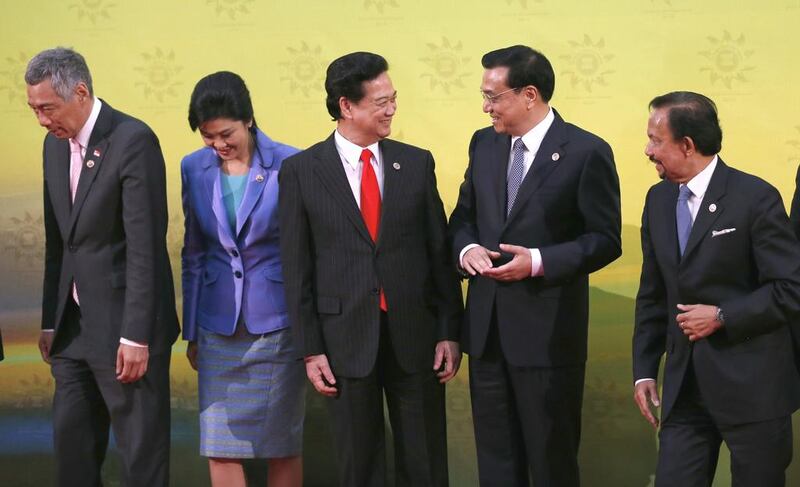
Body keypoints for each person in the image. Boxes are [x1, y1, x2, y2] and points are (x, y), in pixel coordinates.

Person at [278, 51, 463, 487]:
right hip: (343, 343)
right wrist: (310, 348)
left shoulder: (416, 163)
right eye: (380, 101)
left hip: (415, 339)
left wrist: (448, 330)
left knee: (425, 462)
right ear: (346, 106)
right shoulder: (302, 171)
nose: (392, 109)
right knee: (359, 466)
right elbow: (296, 266)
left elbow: (439, 255)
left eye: (393, 98)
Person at [448, 45, 621, 487]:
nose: (486, 106)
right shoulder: (483, 143)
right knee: (497, 463)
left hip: (548, 336)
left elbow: (605, 240)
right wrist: (467, 250)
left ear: (529, 94)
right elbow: (464, 218)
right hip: (487, 336)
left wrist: (539, 262)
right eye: (482, 95)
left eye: (493, 96)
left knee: (550, 462)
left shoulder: (586, 151)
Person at [27, 47, 178, 486]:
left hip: (125, 334)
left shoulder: (132, 140)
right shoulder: (52, 148)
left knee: (141, 459)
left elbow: (145, 247)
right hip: (72, 331)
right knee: (72, 452)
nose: (42, 120)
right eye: (34, 110)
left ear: (80, 92)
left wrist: (136, 335)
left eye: (48, 109)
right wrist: (49, 321)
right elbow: (60, 242)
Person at [633, 91, 800, 487]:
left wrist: (724, 316)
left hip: (754, 390)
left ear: (687, 145)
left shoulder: (755, 198)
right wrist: (643, 371)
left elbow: (791, 287)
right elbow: (653, 293)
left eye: (656, 140)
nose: (647, 150)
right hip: (684, 391)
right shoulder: (657, 200)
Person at [181, 71, 305, 487]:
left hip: (277, 325)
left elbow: (305, 250)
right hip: (217, 327)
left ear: (248, 119)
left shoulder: (291, 163)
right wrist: (191, 331)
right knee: (219, 444)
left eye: (226, 133)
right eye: (208, 137)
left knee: (280, 444)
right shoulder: (193, 168)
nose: (218, 145)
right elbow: (194, 252)